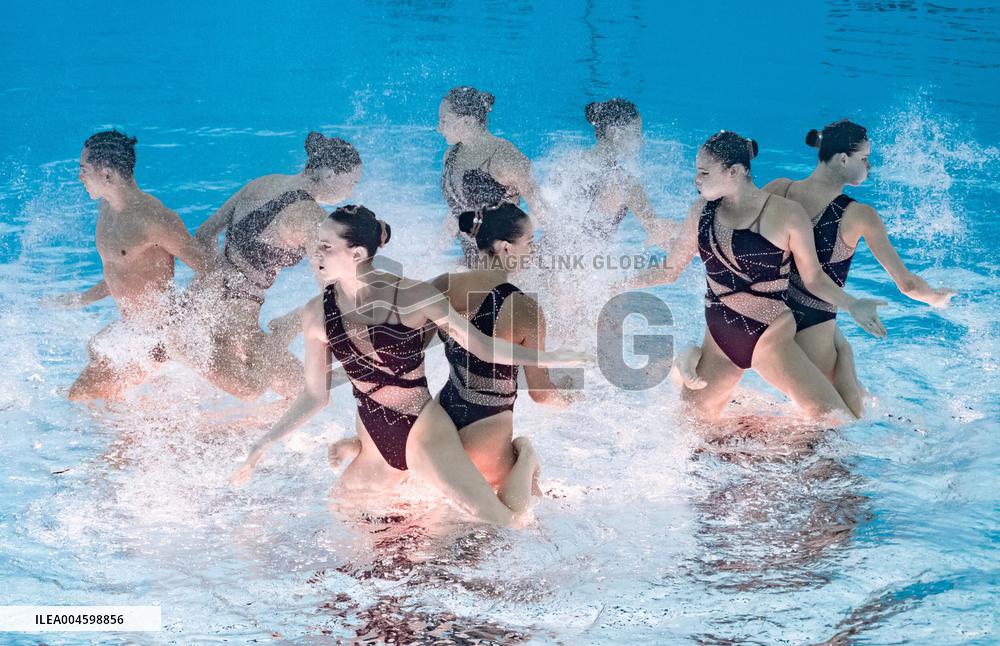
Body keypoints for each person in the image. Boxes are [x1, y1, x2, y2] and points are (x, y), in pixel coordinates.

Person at [230, 206, 592, 527]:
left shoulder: (420, 293)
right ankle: (366, 451)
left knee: (506, 522)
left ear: (356, 253)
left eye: (325, 245)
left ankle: (525, 453)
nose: (315, 252)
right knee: (340, 511)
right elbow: (316, 393)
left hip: (424, 430)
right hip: (377, 432)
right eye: (317, 243)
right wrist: (263, 443)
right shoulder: (316, 313)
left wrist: (550, 357)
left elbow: (475, 344)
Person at [676, 120, 955, 417]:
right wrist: (935, 297)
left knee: (707, 402)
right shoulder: (860, 215)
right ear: (843, 159)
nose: (869, 166)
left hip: (764, 316)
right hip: (814, 323)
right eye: (864, 159)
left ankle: (690, 356)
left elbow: (740, 239)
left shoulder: (779, 191)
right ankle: (845, 353)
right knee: (847, 417)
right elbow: (908, 285)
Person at [621, 131, 886, 422]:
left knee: (834, 419)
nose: (697, 180)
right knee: (687, 424)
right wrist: (617, 285)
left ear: (734, 171)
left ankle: (843, 352)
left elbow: (814, 278)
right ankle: (688, 357)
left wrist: (852, 304)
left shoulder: (787, 214)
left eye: (704, 172)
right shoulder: (700, 213)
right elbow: (669, 270)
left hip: (770, 339)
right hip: (721, 342)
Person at [186, 132, 361, 400]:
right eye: (352, 182)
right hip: (237, 321)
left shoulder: (264, 182)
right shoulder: (312, 218)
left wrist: (216, 276)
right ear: (329, 175)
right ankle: (294, 328)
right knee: (280, 392)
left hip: (202, 299)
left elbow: (204, 234)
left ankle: (357, 373)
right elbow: (331, 290)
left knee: (301, 390)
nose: (351, 190)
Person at [52, 130, 212, 401]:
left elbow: (212, 269)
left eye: (84, 169)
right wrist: (82, 299)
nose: (80, 176)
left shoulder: (154, 220)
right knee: (96, 354)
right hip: (133, 328)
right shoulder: (107, 209)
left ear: (107, 175)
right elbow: (123, 274)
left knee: (80, 396)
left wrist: (181, 319)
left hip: (158, 335)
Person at [438, 86, 549, 264]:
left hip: (508, 264)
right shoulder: (451, 156)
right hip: (476, 260)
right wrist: (428, 257)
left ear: (468, 121)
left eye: (444, 121)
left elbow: (541, 209)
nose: (439, 128)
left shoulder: (504, 157)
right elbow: (456, 211)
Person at [545, 98, 676, 245]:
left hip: (542, 255)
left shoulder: (569, 161)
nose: (641, 142)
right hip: (581, 264)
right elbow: (658, 233)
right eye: (636, 134)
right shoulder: (626, 183)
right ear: (613, 132)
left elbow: (542, 211)